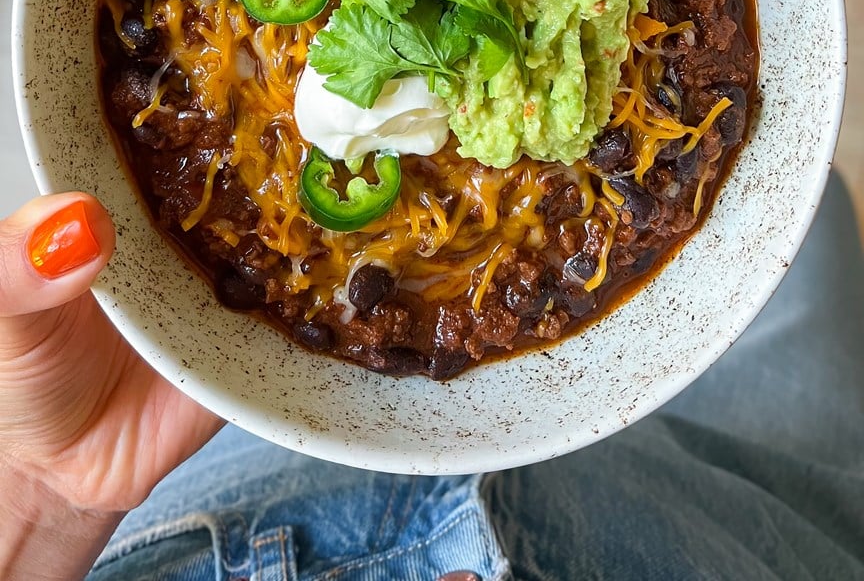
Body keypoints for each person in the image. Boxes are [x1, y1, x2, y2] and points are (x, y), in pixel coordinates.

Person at [1, 175, 862, 581]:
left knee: (805, 216)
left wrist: (45, 496)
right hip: (744, 517)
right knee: (812, 223)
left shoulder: (67, 473)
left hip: (210, 467)